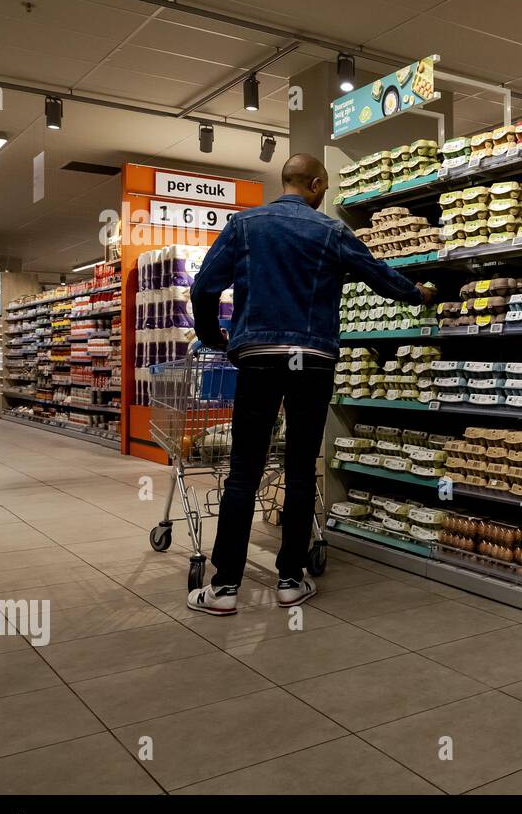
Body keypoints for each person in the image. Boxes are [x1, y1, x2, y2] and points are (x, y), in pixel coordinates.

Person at [186, 153, 434, 616]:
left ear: (285, 182)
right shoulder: (332, 232)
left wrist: (214, 337)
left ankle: (224, 589)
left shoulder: (244, 226)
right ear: (318, 185)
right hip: (313, 361)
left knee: (244, 470)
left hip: (258, 357)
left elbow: (203, 289)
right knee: (301, 468)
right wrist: (418, 293)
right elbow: (378, 276)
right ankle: (289, 581)